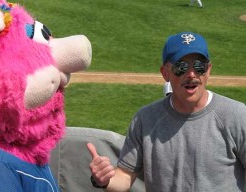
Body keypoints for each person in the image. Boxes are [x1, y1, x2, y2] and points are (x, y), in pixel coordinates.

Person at [87, 31, 246, 191]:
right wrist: (104, 180)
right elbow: (125, 176)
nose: (191, 74)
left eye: (199, 66)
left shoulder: (237, 116)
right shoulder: (145, 120)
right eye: (181, 67)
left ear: (209, 69)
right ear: (165, 73)